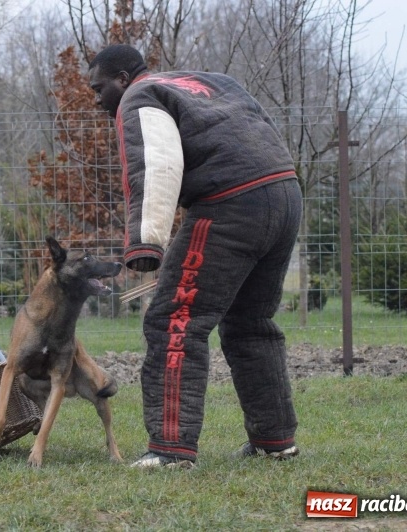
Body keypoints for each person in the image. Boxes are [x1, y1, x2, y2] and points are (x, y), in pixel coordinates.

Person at [88, 44, 302, 468]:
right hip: (285, 192)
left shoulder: (139, 95)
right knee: (251, 323)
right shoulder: (208, 82)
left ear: (124, 79)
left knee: (174, 321)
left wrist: (145, 242)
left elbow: (153, 161)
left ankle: (171, 450)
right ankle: (275, 441)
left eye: (99, 89)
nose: (97, 99)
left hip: (231, 201)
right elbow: (258, 124)